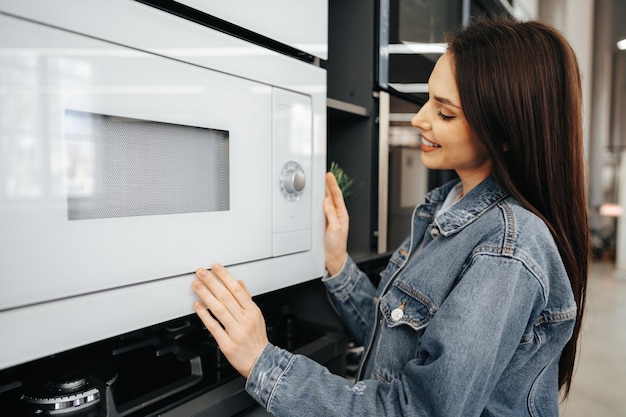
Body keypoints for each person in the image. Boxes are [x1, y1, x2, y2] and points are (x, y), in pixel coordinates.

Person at [191, 15, 589, 416]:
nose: (419, 119)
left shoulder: (507, 251)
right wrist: (336, 262)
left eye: (445, 113)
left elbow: (414, 410)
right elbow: (399, 344)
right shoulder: (444, 204)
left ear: (505, 134)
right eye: (428, 100)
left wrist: (263, 361)